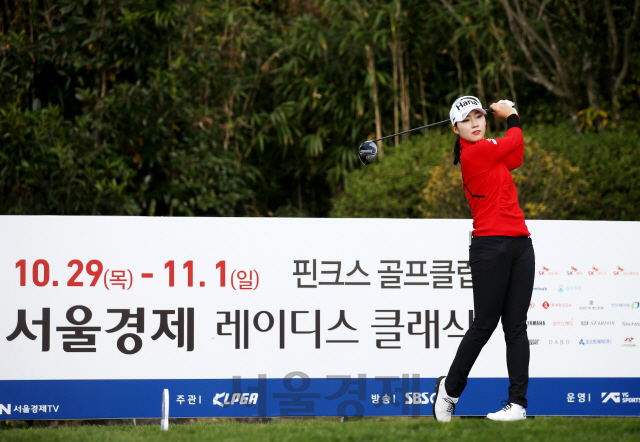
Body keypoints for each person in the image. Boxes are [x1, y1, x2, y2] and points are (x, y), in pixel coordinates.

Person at [432, 96, 535, 422]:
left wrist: (508, 121)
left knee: (516, 326)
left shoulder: (491, 152)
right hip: (489, 247)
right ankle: (449, 391)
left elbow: (515, 155)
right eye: (467, 120)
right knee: (485, 324)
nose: (475, 123)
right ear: (455, 128)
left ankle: (517, 405)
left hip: (521, 244)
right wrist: (512, 114)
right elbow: (514, 139)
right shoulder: (474, 153)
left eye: (479, 116)